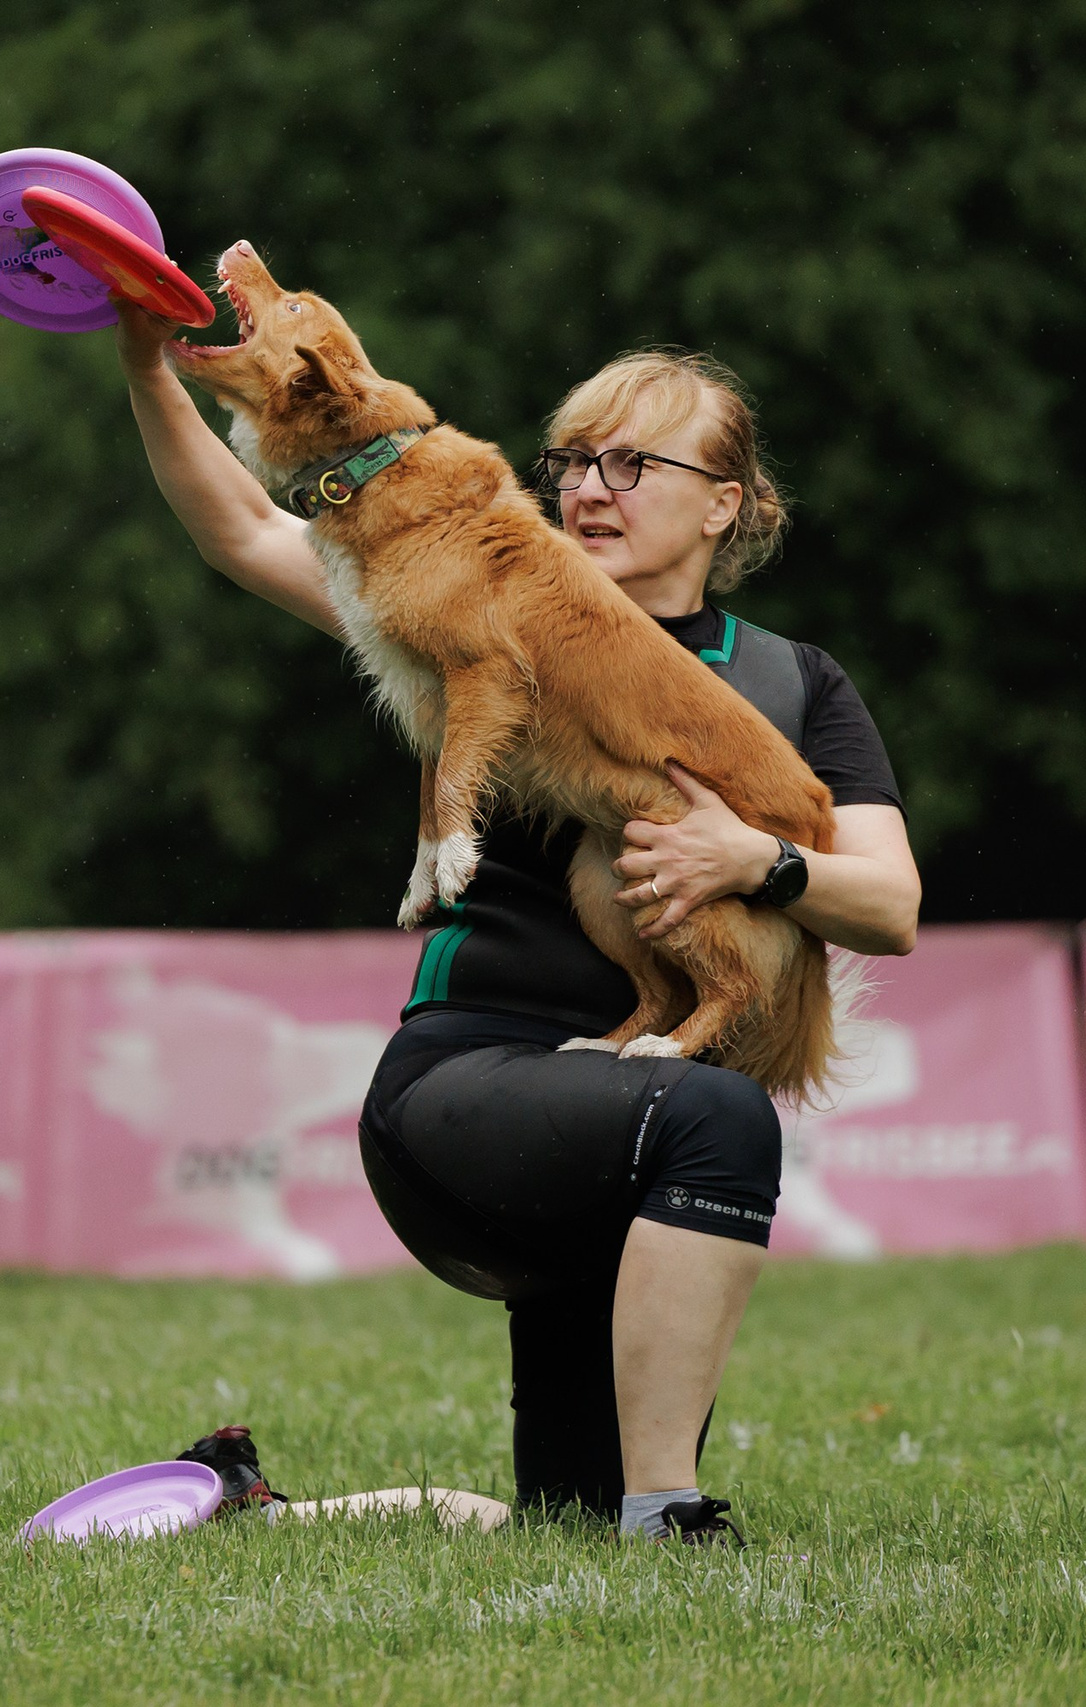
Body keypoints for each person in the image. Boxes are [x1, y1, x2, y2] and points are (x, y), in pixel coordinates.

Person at [115, 304, 920, 1542]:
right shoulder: (466, 588)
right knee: (719, 1112)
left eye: (633, 464)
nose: (591, 489)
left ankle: (255, 1508)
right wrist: (142, 363)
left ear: (727, 503)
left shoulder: (792, 684)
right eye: (574, 461)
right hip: (468, 1089)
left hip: (625, 1128)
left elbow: (889, 907)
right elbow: (237, 526)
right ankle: (674, 1509)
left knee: (560, 1526)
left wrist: (751, 859)